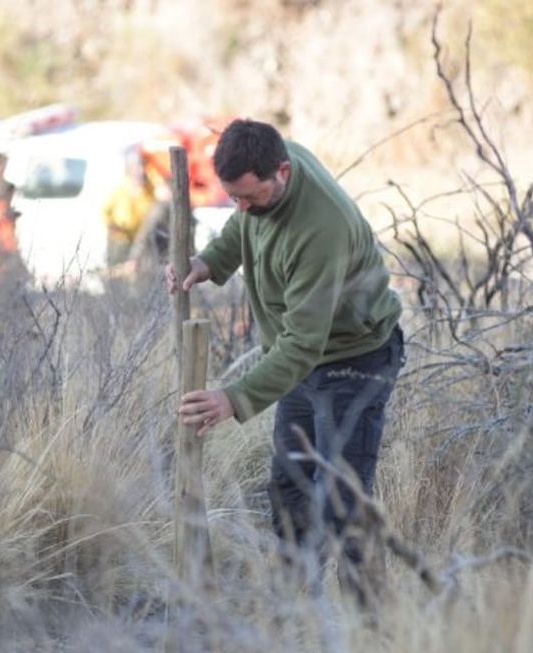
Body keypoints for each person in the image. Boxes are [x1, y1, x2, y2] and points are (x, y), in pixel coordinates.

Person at [165, 119, 404, 605]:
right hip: (300, 359)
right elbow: (243, 226)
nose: (243, 206)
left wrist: (232, 399)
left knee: (342, 500)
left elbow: (302, 344)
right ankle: (294, 607)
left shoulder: (321, 228)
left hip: (354, 361)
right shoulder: (263, 176)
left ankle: (370, 622)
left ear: (283, 172)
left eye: (251, 195)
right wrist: (206, 264)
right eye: (234, 196)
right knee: (290, 486)